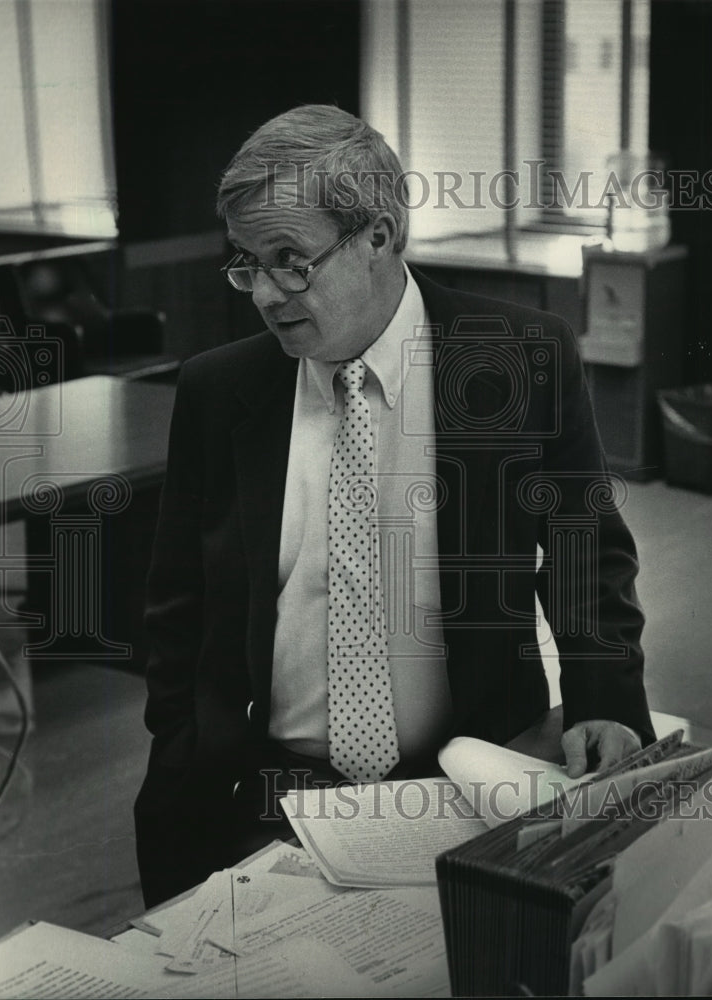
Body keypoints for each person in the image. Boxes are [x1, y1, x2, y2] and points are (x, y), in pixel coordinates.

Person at [134, 105, 654, 907]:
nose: (266, 296)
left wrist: (604, 699)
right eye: (246, 263)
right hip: (266, 801)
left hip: (468, 782)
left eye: (290, 261)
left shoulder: (520, 357)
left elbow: (585, 552)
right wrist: (182, 745)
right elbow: (178, 606)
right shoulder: (217, 389)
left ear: (377, 235)